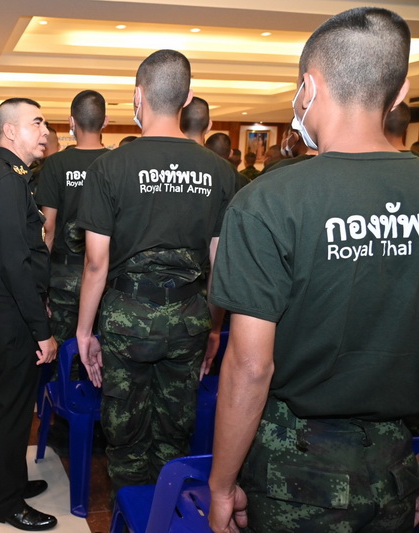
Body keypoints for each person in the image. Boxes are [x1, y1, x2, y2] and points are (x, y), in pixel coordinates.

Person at [208, 7, 419, 532]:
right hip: (398, 463)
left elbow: (251, 367)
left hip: (296, 466)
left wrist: (221, 484)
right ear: (399, 94)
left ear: (308, 87)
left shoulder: (267, 201)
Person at [75, 50, 234, 499]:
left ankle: (131, 512)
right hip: (189, 318)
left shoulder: (110, 166)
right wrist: (214, 328)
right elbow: (220, 264)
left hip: (126, 319)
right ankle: (166, 511)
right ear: (186, 98)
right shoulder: (220, 171)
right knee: (174, 427)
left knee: (125, 430)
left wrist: (83, 332)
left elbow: (95, 262)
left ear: (137, 96)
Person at [0, 98, 58, 531]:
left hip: (5, 309)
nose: (45, 131)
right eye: (36, 123)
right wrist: (41, 329)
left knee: (13, 408)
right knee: (9, 411)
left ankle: (10, 482)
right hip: (10, 316)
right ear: (10, 131)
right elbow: (15, 264)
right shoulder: (6, 180)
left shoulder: (9, 175)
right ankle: (5, 503)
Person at [36, 90, 109, 345]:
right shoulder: (118, 163)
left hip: (63, 276)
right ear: (105, 122)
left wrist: (41, 285)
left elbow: (48, 228)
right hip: (108, 276)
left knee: (62, 350)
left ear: (71, 121)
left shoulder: (55, 164)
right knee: (102, 350)